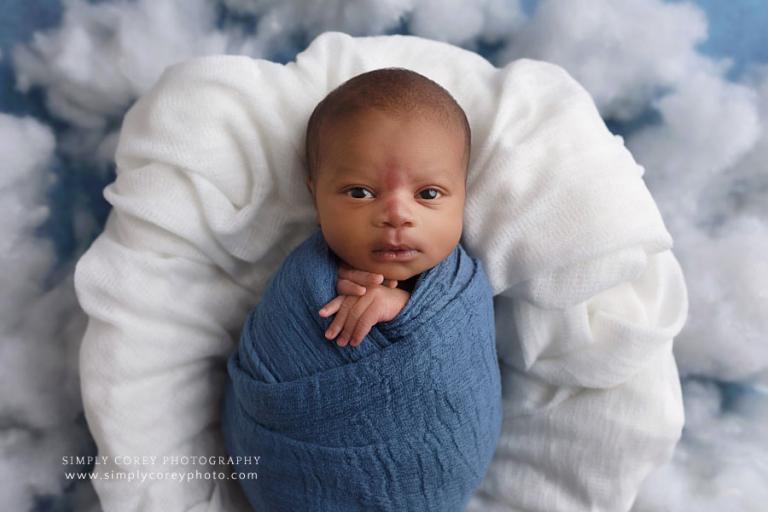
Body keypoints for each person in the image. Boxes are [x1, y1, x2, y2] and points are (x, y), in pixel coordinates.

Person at [304, 67, 471, 347]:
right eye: (360, 192)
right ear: (316, 200)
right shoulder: (303, 275)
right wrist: (321, 284)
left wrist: (404, 308)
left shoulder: (462, 286)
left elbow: (469, 333)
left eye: (428, 194)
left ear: (464, 197)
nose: (397, 216)